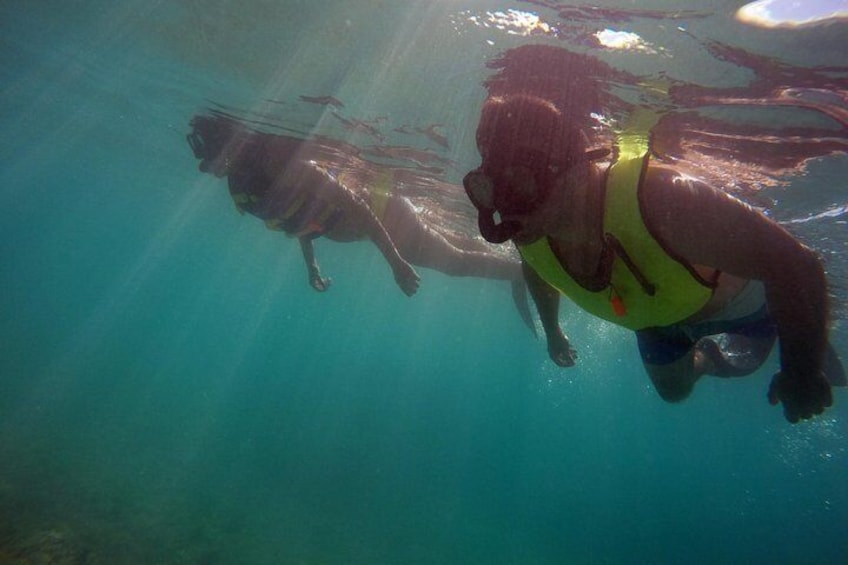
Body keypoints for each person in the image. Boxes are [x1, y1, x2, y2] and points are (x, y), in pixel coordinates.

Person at [463, 48, 845, 424]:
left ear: (578, 169)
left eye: (519, 183)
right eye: (489, 187)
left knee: (809, 349)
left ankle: (794, 329)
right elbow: (537, 270)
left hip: (746, 308)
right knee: (674, 393)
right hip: (659, 323)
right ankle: (711, 358)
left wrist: (802, 371)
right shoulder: (525, 220)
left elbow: (797, 263)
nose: (504, 208)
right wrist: (553, 331)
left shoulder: (663, 200)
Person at [187, 113, 533, 326]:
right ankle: (518, 264)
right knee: (456, 248)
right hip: (374, 224)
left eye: (213, 156)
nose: (210, 168)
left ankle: (528, 274)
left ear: (230, 146)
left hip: (384, 212)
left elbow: (354, 204)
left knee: (454, 263)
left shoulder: (279, 163)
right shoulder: (244, 182)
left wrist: (396, 262)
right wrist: (312, 266)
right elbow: (298, 218)